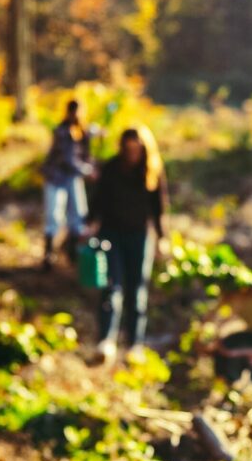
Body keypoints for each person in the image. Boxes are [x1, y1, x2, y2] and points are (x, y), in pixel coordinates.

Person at [87, 126, 166, 365]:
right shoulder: (111, 168)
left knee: (136, 292)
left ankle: (134, 345)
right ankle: (106, 341)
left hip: (139, 236)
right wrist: (89, 224)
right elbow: (98, 200)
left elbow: (159, 208)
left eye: (136, 149)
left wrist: (163, 237)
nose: (132, 153)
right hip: (111, 234)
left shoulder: (151, 171)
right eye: (128, 148)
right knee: (111, 287)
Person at [41, 100, 96, 270]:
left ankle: (72, 254)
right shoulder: (62, 131)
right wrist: (88, 171)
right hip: (56, 177)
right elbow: (68, 159)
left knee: (78, 215)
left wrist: (92, 166)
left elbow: (85, 154)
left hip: (73, 178)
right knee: (54, 215)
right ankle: (49, 254)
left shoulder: (82, 132)